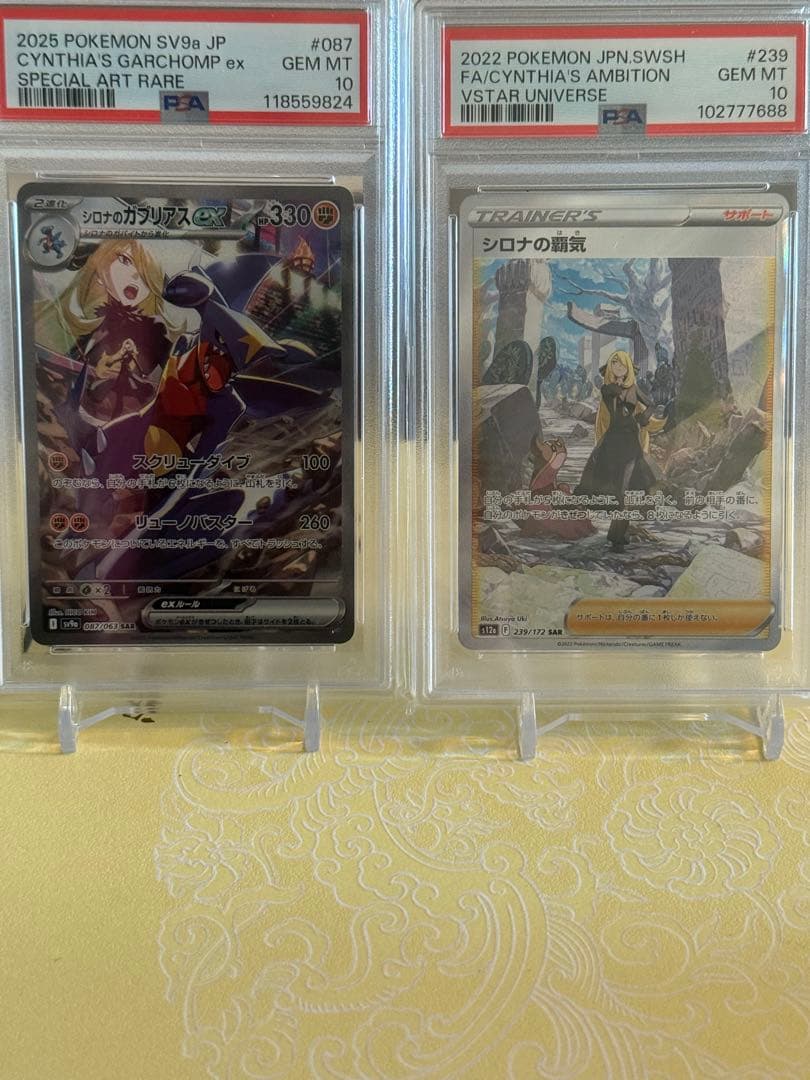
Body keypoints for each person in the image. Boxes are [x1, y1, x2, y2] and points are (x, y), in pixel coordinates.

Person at [35, 239, 176, 462]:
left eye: (145, 273)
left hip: (121, 424)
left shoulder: (153, 330)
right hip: (80, 415)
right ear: (100, 268)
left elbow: (166, 369)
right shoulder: (92, 322)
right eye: (125, 261)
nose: (135, 276)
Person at [576, 349, 664, 550]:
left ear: (628, 368)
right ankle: (617, 535)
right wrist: (619, 384)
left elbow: (650, 404)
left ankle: (618, 536)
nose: (618, 367)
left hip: (631, 440)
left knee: (625, 488)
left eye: (622, 365)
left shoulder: (634, 388)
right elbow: (612, 395)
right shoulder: (607, 389)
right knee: (617, 489)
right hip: (613, 442)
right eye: (614, 364)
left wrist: (643, 418)